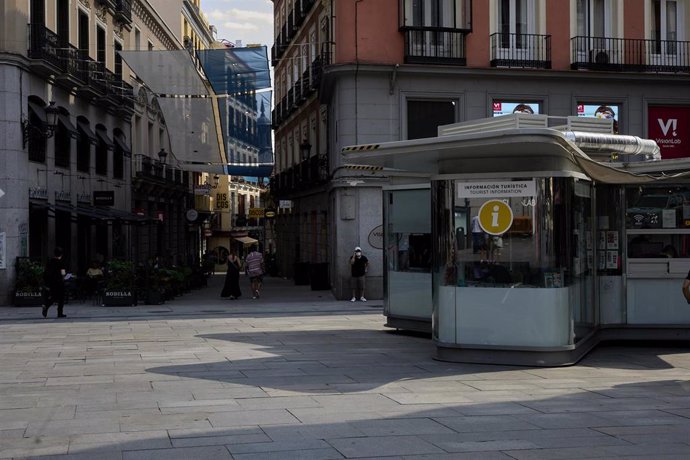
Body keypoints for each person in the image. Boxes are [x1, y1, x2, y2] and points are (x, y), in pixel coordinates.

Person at [43, 247, 67, 318]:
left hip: (51, 282)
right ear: (61, 254)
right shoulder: (61, 262)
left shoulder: (50, 261)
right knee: (61, 298)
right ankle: (60, 313)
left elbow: (46, 272)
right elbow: (63, 273)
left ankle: (46, 306)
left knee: (54, 296)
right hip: (59, 282)